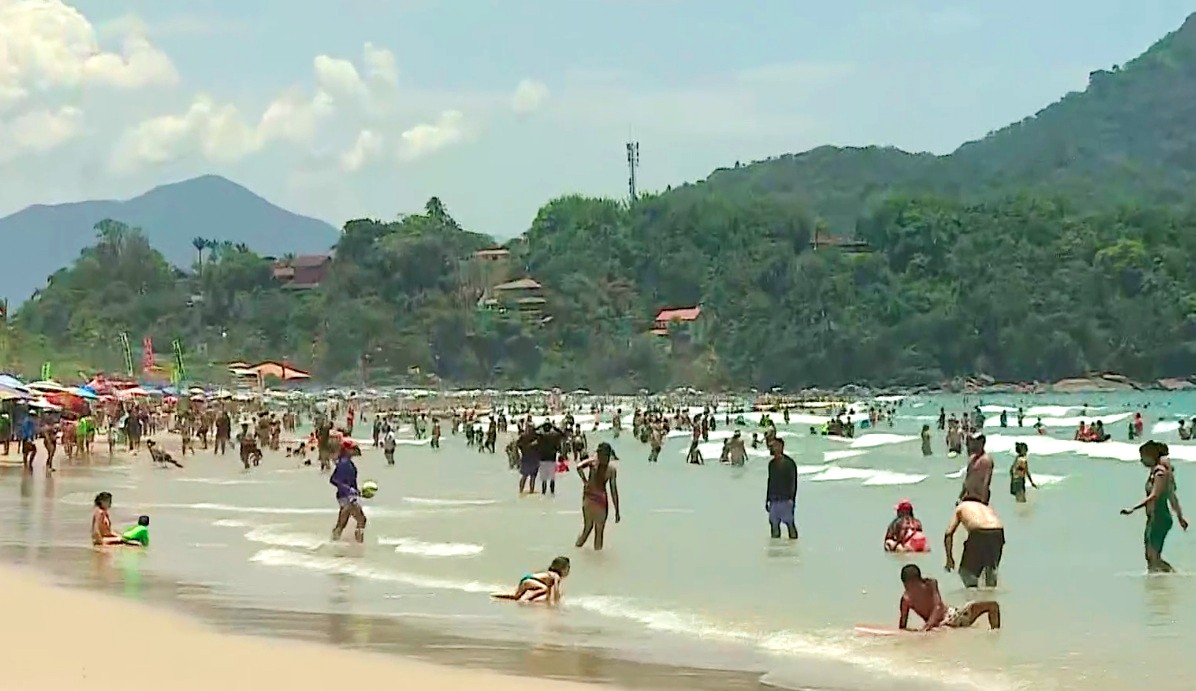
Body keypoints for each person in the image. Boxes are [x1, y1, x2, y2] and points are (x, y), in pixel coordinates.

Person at [1122, 440, 1188, 572]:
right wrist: (1180, 518)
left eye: (1143, 457)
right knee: (1150, 557)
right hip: (1153, 518)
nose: (1141, 460)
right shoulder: (1155, 473)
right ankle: (1155, 584)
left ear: (1151, 456)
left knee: (1154, 557)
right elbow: (1172, 498)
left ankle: (1174, 576)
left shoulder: (1160, 474)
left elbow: (1155, 495)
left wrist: (1133, 509)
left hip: (1160, 518)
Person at [898, 564, 1001, 630]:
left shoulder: (930, 584)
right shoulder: (906, 599)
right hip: (945, 622)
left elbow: (937, 606)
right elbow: (903, 623)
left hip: (953, 615)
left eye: (907, 584)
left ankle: (994, 635)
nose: (906, 587)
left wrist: (927, 626)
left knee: (993, 606)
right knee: (993, 606)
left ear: (914, 581)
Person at [944, 498, 1004, 588]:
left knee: (966, 573)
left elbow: (948, 533)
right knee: (990, 570)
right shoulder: (984, 506)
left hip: (979, 532)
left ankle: (973, 597)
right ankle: (991, 597)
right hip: (998, 532)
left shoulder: (960, 507)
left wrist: (949, 558)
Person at [575, 442, 620, 550]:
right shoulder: (594, 464)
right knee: (588, 528)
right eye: (600, 455)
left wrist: (617, 510)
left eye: (604, 455)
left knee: (599, 531)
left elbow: (614, 491)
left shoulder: (610, 470)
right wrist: (584, 481)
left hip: (600, 499)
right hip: (590, 497)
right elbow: (578, 467)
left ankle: (597, 558)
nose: (602, 458)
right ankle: (576, 550)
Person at [329, 440, 367, 543]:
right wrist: (348, 489)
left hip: (346, 497)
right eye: (352, 448)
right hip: (346, 498)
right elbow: (334, 480)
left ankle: (333, 542)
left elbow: (349, 481)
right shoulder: (343, 463)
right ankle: (359, 544)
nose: (355, 450)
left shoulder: (346, 462)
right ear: (346, 450)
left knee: (342, 523)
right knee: (361, 519)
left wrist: (357, 491)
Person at [492, 556, 571, 604]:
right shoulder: (556, 576)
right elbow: (555, 589)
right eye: (567, 568)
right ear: (562, 568)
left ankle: (495, 595)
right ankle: (524, 600)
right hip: (529, 580)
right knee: (544, 588)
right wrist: (555, 603)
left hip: (527, 579)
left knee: (516, 595)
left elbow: (552, 592)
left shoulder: (550, 574)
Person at [765, 438, 799, 539]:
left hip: (786, 499)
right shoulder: (771, 464)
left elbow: (793, 482)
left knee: (790, 525)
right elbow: (770, 481)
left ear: (781, 447)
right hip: (774, 500)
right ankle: (775, 549)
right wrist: (767, 499)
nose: (771, 448)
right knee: (774, 526)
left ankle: (793, 549)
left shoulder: (789, 464)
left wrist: (792, 500)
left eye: (774, 446)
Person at [958, 434, 993, 505]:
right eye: (973, 441)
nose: (973, 444)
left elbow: (986, 482)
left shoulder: (986, 460)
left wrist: (984, 502)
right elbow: (967, 479)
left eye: (976, 441)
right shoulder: (972, 458)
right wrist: (960, 497)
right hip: (968, 497)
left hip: (979, 499)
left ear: (982, 442)